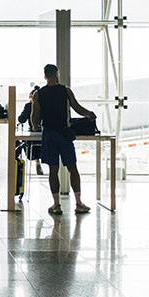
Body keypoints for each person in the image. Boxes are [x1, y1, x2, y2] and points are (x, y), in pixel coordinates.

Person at [30, 64, 96, 215]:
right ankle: (79, 203)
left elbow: (35, 114)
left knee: (53, 170)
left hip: (49, 134)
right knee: (72, 168)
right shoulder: (65, 90)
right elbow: (76, 107)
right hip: (64, 133)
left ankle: (56, 204)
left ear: (45, 76)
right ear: (56, 74)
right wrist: (89, 113)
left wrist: (34, 127)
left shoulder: (38, 94)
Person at [18, 86, 43, 175]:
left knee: (24, 142)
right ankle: (39, 160)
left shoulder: (29, 105)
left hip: (32, 134)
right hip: (45, 135)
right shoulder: (46, 105)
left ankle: (36, 161)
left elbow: (21, 120)